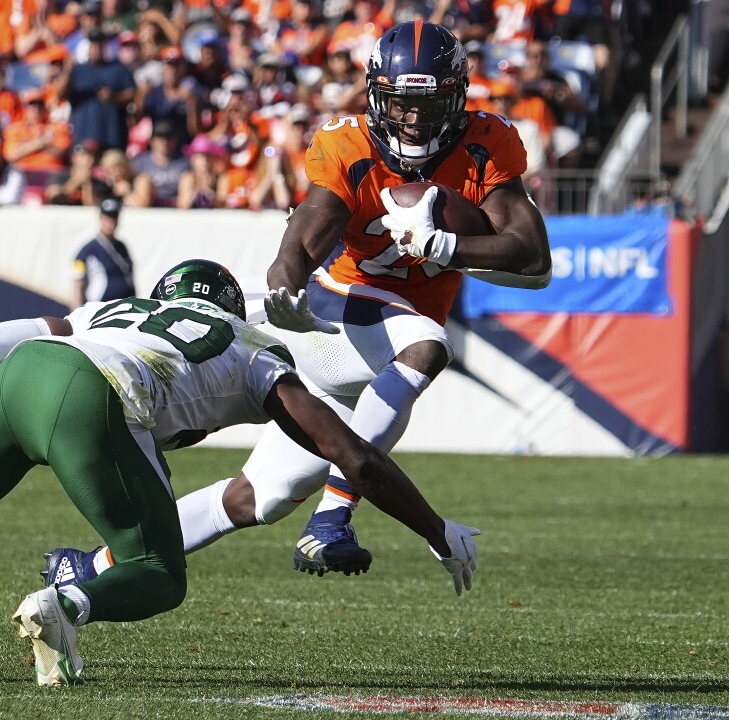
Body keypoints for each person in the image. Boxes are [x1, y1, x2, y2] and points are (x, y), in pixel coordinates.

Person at [0, 259, 479, 686]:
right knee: (160, 572)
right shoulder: (254, 347)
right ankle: (64, 606)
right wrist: (435, 529)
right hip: (91, 399)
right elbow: (351, 455)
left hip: (24, 376)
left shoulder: (110, 308)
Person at [48, 21, 550, 580]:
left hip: (370, 357)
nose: (411, 118)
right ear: (376, 97)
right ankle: (333, 517)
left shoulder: (487, 142)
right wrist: (287, 281)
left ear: (457, 95)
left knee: (254, 498)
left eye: (426, 103)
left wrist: (449, 244)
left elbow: (533, 254)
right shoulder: (348, 143)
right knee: (429, 347)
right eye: (399, 103)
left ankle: (86, 567)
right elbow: (309, 228)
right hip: (334, 313)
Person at [70, 197, 134, 310]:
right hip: (100, 310)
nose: (111, 222)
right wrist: (77, 313)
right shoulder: (87, 251)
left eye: (114, 218)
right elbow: (78, 285)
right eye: (107, 218)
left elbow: (129, 277)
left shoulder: (122, 247)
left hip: (124, 308)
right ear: (100, 218)